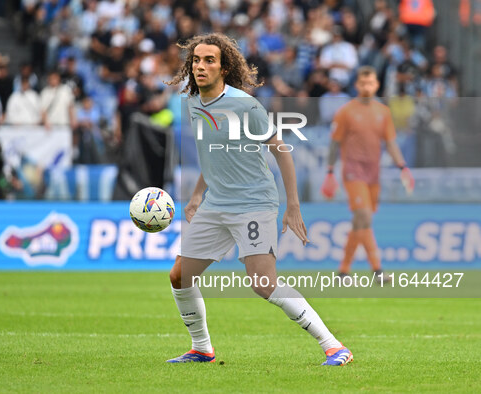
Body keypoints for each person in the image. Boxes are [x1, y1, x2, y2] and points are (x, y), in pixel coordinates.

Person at [164, 33, 353, 366]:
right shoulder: (193, 103)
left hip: (253, 202)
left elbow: (281, 151)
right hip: (216, 203)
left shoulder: (244, 105)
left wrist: (292, 206)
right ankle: (202, 349)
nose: (200, 66)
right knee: (180, 275)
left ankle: (335, 346)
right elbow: (214, 155)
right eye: (196, 60)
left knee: (263, 283)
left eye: (209, 60)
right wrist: (196, 196)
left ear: (224, 68)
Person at [321, 66, 415, 280]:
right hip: (353, 171)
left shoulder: (383, 112)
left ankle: (343, 271)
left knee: (360, 222)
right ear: (357, 85)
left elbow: (390, 143)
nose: (366, 87)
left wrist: (403, 167)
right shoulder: (346, 111)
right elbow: (334, 144)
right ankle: (377, 269)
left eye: (370, 83)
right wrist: (329, 172)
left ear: (377, 85)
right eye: (363, 83)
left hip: (374, 174)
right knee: (363, 216)